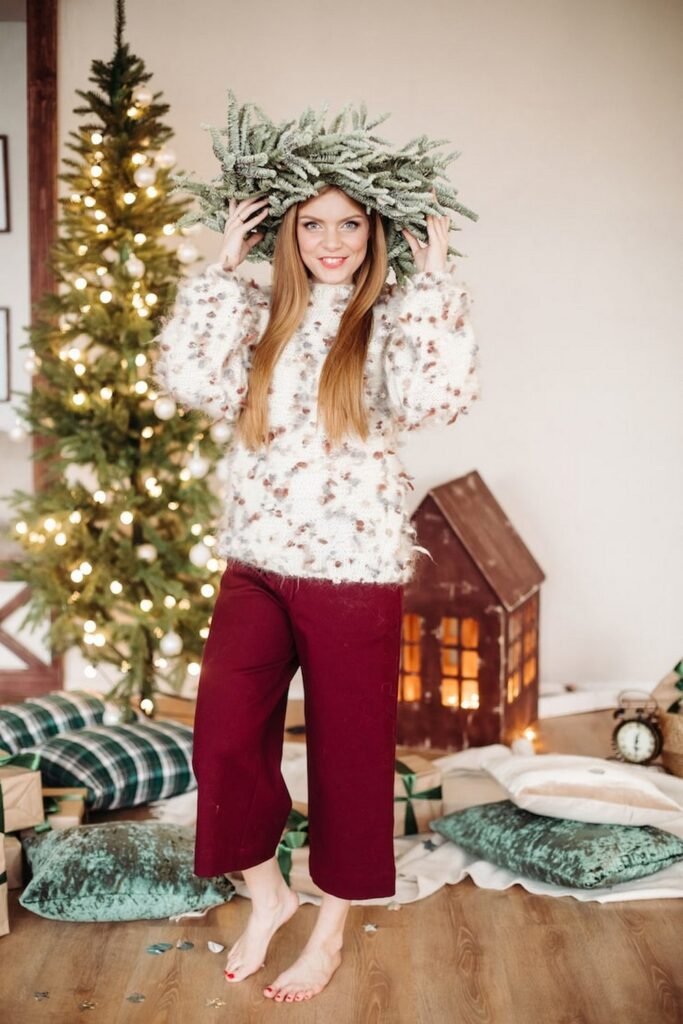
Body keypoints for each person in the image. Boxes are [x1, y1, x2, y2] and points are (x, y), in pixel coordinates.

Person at [154, 184, 480, 1003]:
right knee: (223, 738)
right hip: (256, 562)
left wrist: (434, 285)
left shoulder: (393, 315)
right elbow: (188, 378)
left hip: (354, 573)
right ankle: (269, 895)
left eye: (349, 224)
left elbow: (437, 400)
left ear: (374, 232)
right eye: (311, 224)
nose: (330, 240)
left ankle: (330, 932)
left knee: (349, 759)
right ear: (287, 233)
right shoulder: (257, 310)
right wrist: (222, 269)